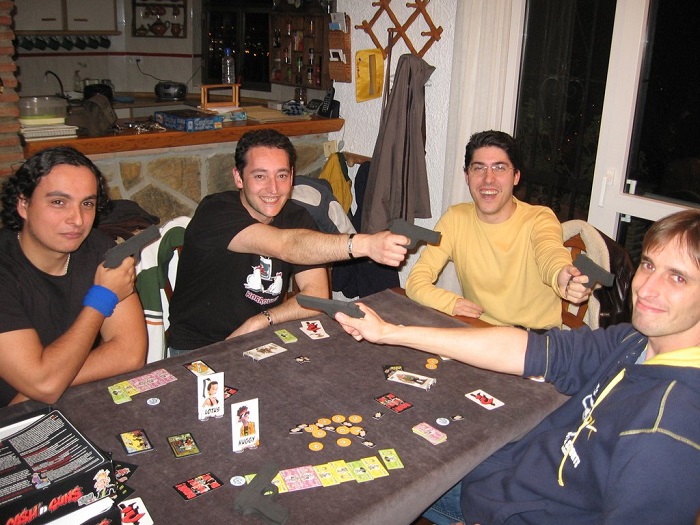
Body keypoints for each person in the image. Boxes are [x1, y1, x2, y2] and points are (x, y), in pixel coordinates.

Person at [335, 209, 700, 525]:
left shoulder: (669, 428)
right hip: (503, 474)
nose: (646, 289)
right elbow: (522, 348)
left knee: (360, 493)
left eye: (678, 277)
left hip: (506, 512)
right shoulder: (633, 341)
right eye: (649, 265)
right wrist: (390, 332)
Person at [168, 129, 408, 353]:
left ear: (292, 177)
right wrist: (366, 245)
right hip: (199, 349)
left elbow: (316, 297)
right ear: (238, 178)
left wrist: (262, 320)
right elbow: (287, 245)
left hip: (258, 340)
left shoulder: (297, 217)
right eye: (260, 176)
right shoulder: (215, 212)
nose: (273, 188)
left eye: (281, 175)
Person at [0, 146, 146, 407]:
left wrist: (54, 381)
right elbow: (44, 385)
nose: (77, 220)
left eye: (87, 204)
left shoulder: (98, 247)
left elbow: (130, 353)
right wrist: (102, 298)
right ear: (23, 204)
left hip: (57, 402)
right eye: (59, 202)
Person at [406, 130, 590, 330]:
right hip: (480, 332)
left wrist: (560, 275)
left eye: (499, 168)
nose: (488, 179)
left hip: (533, 339)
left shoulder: (539, 219)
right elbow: (416, 281)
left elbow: (550, 252)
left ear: (516, 176)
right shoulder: (455, 219)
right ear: (467, 176)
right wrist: (451, 303)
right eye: (479, 168)